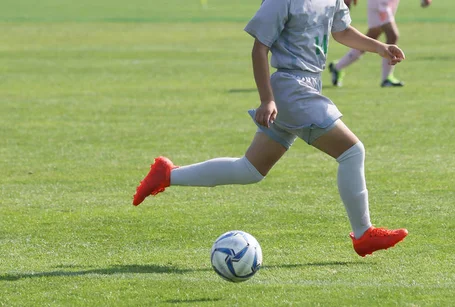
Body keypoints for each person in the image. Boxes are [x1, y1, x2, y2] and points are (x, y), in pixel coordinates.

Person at [133, 0, 408, 257]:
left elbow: (343, 31)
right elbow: (259, 48)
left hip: (308, 86)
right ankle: (363, 234)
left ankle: (167, 175)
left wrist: (380, 48)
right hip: (291, 88)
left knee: (249, 170)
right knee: (352, 152)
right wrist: (267, 99)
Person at [329, 0, 432, 87]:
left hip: (390, 2)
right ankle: (386, 78)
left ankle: (338, 66)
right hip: (380, 3)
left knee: (370, 39)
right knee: (393, 35)